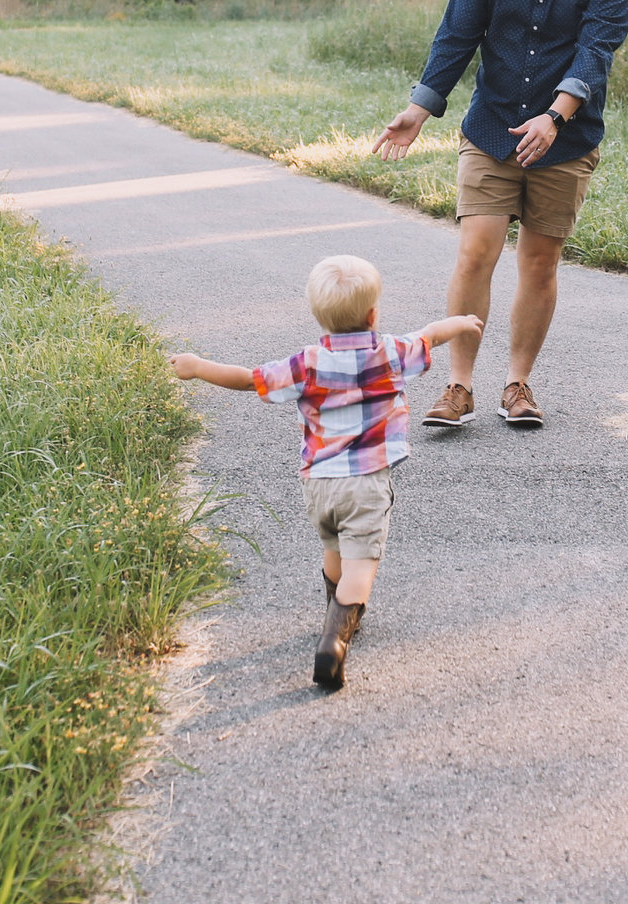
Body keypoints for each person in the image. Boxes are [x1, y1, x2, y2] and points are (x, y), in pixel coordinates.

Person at [371, 0, 628, 430]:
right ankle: (458, 386)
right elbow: (456, 37)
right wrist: (419, 109)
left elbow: (596, 53)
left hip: (564, 142)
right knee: (476, 251)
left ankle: (517, 384)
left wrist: (555, 117)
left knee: (539, 263)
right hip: (490, 131)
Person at [168, 254, 481, 690]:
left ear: (319, 317)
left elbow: (248, 378)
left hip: (317, 485)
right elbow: (430, 334)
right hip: (368, 482)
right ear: (373, 314)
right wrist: (462, 321)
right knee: (362, 564)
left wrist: (198, 366)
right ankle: (334, 639)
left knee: (334, 550)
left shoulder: (307, 363)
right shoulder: (391, 352)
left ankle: (336, 609)